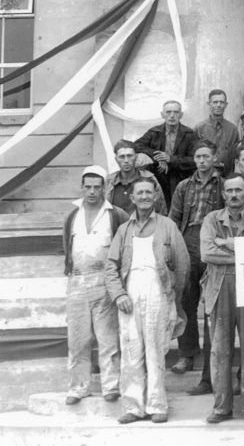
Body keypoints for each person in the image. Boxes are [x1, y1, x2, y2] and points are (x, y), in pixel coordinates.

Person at [104, 176, 189, 424]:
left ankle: (156, 406)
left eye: (148, 193)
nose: (143, 197)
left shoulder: (167, 226)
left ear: (155, 197)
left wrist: (174, 295)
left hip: (158, 292)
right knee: (131, 350)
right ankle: (133, 407)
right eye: (139, 193)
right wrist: (119, 294)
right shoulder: (124, 230)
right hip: (129, 294)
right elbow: (111, 267)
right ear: (132, 198)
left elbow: (182, 264)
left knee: (155, 350)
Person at [201, 173, 244, 424]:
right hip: (219, 287)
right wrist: (243, 251)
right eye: (229, 191)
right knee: (220, 350)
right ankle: (221, 407)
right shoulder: (211, 219)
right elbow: (207, 252)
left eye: (238, 191)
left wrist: (226, 243)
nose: (233, 195)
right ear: (223, 194)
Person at [63, 165, 127, 405]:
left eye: (96, 187)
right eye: (87, 187)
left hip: (105, 281)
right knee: (77, 339)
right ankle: (78, 387)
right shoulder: (72, 215)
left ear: (105, 188)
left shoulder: (115, 214)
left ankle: (111, 386)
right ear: (81, 187)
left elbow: (124, 248)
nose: (91, 192)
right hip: (77, 281)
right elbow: (67, 249)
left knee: (108, 337)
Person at [167, 140, 225, 392]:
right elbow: (174, 220)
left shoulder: (223, 185)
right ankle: (187, 353)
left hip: (213, 244)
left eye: (206, 156)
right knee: (186, 300)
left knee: (213, 302)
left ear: (214, 158)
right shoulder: (183, 186)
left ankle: (214, 358)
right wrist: (174, 250)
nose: (201, 160)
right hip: (188, 243)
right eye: (198, 156)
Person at [133, 100, 197, 207]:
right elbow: (136, 146)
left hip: (182, 179)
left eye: (176, 112)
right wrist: (158, 156)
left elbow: (194, 160)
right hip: (159, 178)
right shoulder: (154, 132)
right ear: (162, 115)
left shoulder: (189, 134)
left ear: (181, 115)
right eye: (168, 112)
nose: (172, 116)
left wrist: (171, 159)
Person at [105, 140, 167, 215]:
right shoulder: (108, 181)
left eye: (129, 156)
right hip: (115, 226)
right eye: (122, 157)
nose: (126, 160)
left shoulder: (150, 180)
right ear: (116, 160)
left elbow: (160, 211)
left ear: (136, 157)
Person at [193, 89, 239, 171]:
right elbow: (194, 152)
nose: (218, 105)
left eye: (221, 102)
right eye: (215, 102)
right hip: (205, 171)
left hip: (226, 171)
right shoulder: (199, 128)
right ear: (209, 104)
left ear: (226, 104)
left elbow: (235, 153)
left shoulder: (233, 129)